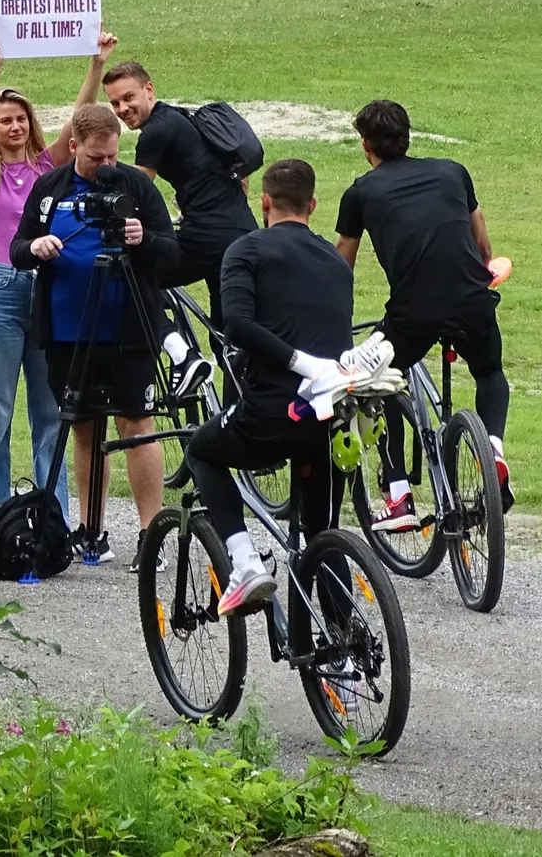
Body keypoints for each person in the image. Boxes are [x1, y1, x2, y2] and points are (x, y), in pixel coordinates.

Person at [10, 103, 179, 569]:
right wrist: (36, 247)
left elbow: (172, 254)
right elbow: (17, 249)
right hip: (67, 333)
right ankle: (92, 530)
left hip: (128, 331)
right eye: (96, 158)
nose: (107, 166)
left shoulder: (137, 186)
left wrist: (142, 238)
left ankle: (151, 533)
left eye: (112, 157)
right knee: (84, 429)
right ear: (73, 147)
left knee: (137, 425)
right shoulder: (50, 189)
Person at [0, 29, 119, 529]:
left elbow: (80, 121)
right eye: (3, 120)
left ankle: (52, 518)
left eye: (19, 118)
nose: (11, 125)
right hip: (2, 291)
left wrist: (96, 66)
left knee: (51, 413)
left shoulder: (45, 169)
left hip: (48, 292)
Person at [334, 99, 513, 531]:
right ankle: (491, 449)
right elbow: (484, 249)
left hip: (412, 313)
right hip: (471, 298)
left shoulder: (360, 192)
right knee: (490, 373)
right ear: (407, 136)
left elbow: (341, 269)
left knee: (380, 383)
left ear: (365, 146)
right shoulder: (454, 171)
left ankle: (398, 495)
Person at [187, 159, 356, 614]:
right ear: (313, 205)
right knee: (323, 532)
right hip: (329, 416)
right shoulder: (336, 263)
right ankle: (344, 653)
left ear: (263, 202)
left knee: (202, 450)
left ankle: (244, 564)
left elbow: (238, 325)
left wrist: (299, 363)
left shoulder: (246, 250)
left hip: (273, 412)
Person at [103, 60, 256, 398]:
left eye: (128, 98)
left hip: (206, 240)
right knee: (231, 343)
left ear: (149, 90)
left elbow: (135, 193)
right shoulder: (181, 117)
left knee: (129, 277)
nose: (123, 109)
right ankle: (239, 420)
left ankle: (181, 354)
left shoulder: (156, 131)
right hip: (243, 234)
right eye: (114, 103)